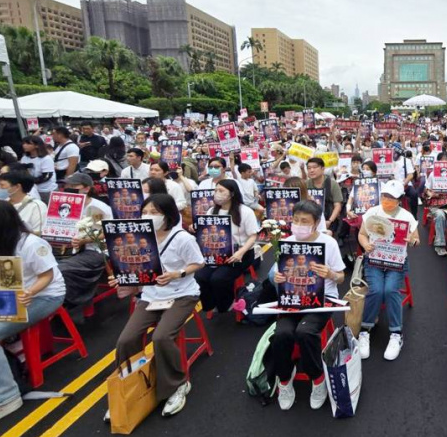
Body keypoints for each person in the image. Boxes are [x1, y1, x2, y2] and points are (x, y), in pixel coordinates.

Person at [107, 194, 204, 420]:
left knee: (161, 337)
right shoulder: (138, 239)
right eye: (145, 212)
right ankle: (128, 386)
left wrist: (177, 274)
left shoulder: (182, 238)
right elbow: (135, 269)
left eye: (155, 212)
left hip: (182, 295)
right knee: (125, 340)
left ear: (168, 215)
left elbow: (199, 263)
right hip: (151, 296)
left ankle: (177, 385)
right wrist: (122, 279)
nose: (148, 216)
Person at [0, 200, 65, 427]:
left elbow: (47, 275)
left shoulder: (31, 243)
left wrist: (29, 292)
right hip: (7, 292)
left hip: (44, 296)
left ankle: (3, 398)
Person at [264, 200, 346, 411]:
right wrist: (278, 278)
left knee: (305, 332)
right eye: (296, 220)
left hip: (321, 300)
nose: (299, 225)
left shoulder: (329, 244)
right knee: (282, 334)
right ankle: (284, 380)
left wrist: (330, 274)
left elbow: (340, 278)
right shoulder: (287, 242)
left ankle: (317, 379)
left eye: (305, 221)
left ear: (316, 222)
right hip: (293, 299)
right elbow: (275, 275)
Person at [357, 180, 420, 361]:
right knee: (376, 290)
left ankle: (396, 334)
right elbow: (362, 234)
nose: (387, 200)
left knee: (391, 290)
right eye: (384, 196)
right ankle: (365, 330)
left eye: (392, 198)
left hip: (396, 263)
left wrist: (412, 240)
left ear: (400, 199)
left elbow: (417, 240)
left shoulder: (406, 216)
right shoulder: (372, 212)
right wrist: (366, 244)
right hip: (375, 260)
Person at [195, 180, 259, 312]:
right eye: (216, 190)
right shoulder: (212, 211)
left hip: (240, 254)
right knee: (200, 276)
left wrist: (240, 252)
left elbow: (253, 235)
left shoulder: (245, 211)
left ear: (232, 194)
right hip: (217, 253)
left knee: (218, 278)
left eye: (221, 191)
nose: (217, 194)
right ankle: (210, 304)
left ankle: (226, 304)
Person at [58, 173, 113, 307]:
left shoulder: (97, 208)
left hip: (95, 250)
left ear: (86, 189)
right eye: (67, 186)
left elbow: (109, 232)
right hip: (67, 248)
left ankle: (68, 302)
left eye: (73, 186)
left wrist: (85, 241)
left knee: (61, 270)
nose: (69, 188)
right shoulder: (64, 205)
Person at [306, 157, 344, 232]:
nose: (311, 170)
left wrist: (330, 221)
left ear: (323, 169)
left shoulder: (332, 184)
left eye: (314, 167)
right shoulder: (306, 184)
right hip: (311, 220)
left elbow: (337, 205)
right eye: (309, 168)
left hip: (328, 219)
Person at [20, 136, 56, 202]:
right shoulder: (24, 158)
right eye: (23, 143)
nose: (24, 145)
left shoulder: (46, 159)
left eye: (28, 144)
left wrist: (30, 181)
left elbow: (47, 176)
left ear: (37, 145)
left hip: (45, 190)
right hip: (31, 190)